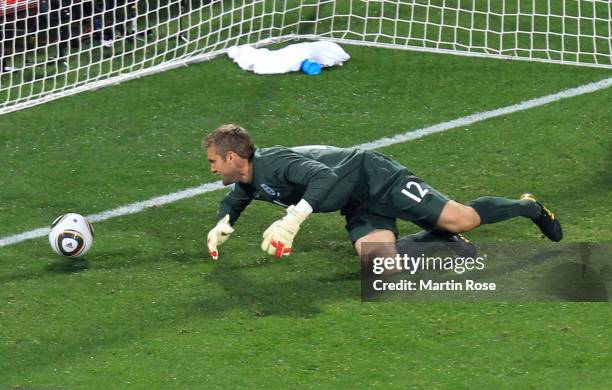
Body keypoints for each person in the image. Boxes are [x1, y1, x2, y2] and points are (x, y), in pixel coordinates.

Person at [203, 124, 562, 266]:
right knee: (379, 266)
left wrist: (292, 219)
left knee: (463, 217)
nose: (212, 168)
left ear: (233, 157)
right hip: (355, 202)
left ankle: (528, 207)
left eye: (214, 161)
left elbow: (324, 177)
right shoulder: (247, 180)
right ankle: (441, 237)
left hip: (377, 178)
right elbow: (235, 199)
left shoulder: (276, 162)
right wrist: (223, 223)